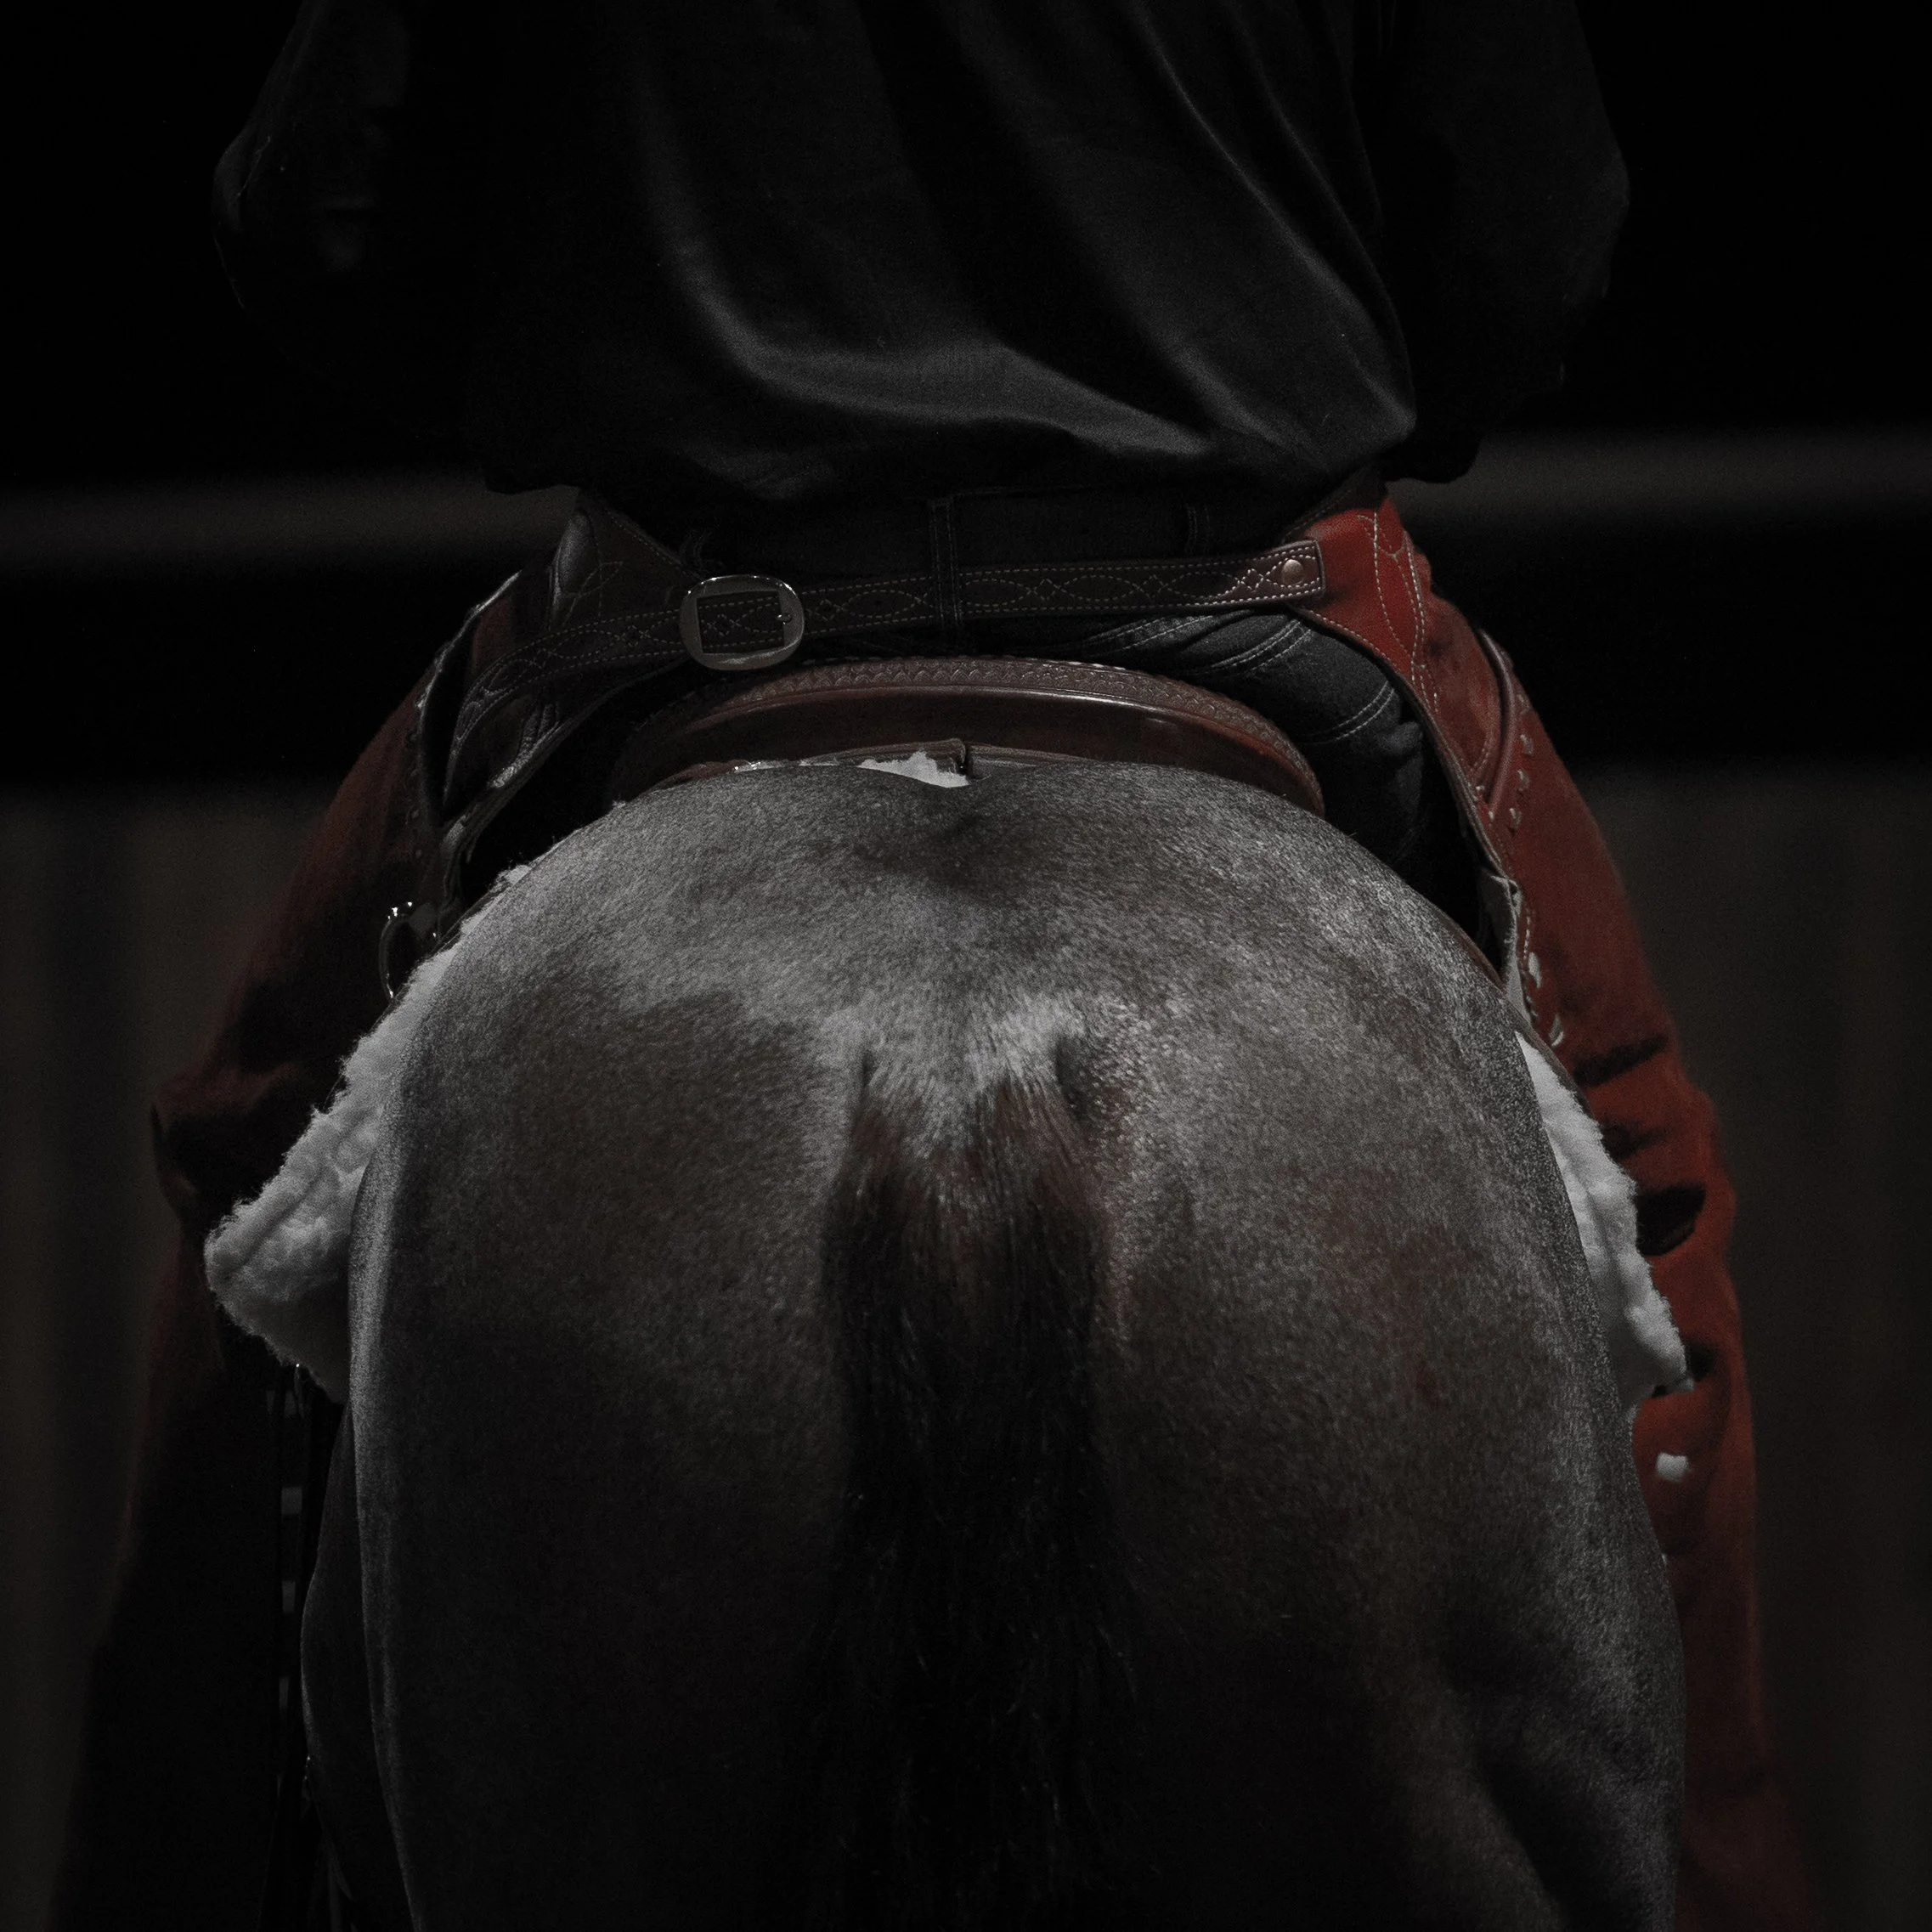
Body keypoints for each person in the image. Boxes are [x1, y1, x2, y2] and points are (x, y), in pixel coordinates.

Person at [54, 3, 1813, 1926]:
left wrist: (618, 327)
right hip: (1255, 609)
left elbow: (316, 233)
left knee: (254, 1175)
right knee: (1642, 1194)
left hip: (692, 628)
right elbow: (1529, 252)